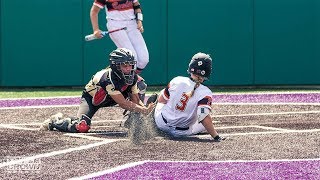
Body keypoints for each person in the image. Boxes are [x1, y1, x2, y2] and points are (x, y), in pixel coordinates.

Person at [39, 48, 155, 133]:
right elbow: (123, 103)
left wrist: (144, 108)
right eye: (125, 65)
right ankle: (55, 121)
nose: (128, 68)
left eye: (130, 65)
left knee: (141, 84)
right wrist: (144, 110)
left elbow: (135, 99)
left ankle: (134, 120)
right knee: (81, 127)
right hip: (92, 98)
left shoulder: (132, 76)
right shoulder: (107, 78)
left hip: (114, 96)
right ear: (115, 66)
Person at [153, 52, 225, 142]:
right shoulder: (205, 92)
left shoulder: (177, 80)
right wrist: (216, 136)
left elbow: (161, 100)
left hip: (162, 123)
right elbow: (203, 117)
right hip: (181, 133)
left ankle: (150, 117)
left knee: (161, 94)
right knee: (205, 119)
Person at [90, 0, 149, 101]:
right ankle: (127, 86)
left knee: (144, 60)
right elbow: (94, 11)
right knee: (131, 58)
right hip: (115, 24)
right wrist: (96, 29)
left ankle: (127, 84)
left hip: (132, 23)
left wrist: (139, 21)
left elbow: (137, 5)